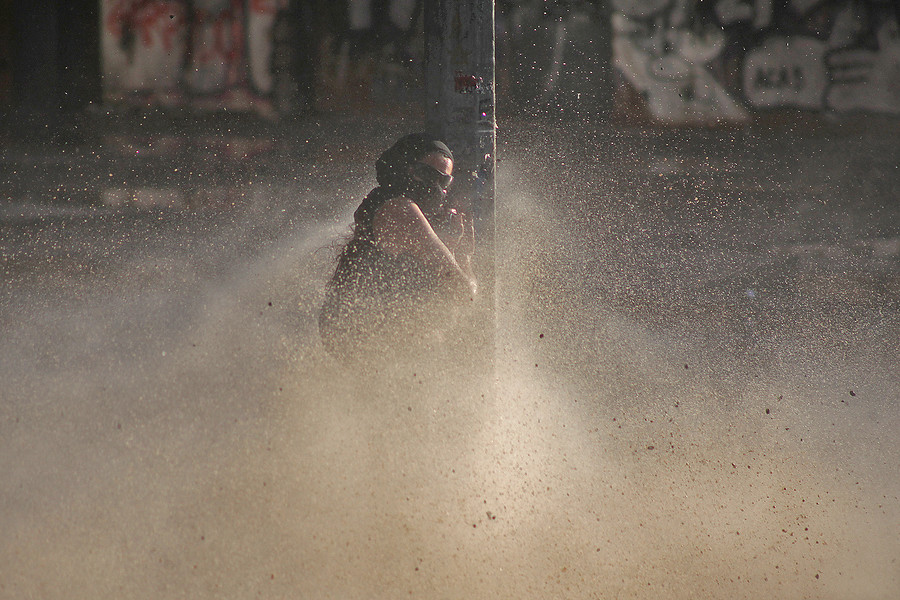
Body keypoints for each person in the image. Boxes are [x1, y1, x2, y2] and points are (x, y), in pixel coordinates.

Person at [318, 133, 477, 367]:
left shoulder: (384, 204)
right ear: (403, 168)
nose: (434, 187)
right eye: (426, 174)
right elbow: (464, 292)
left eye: (444, 182)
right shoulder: (400, 209)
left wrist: (451, 247)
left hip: (380, 348)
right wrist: (464, 256)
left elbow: (444, 306)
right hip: (373, 346)